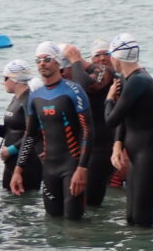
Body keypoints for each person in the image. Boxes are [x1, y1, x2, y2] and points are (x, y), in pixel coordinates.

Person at [10, 41, 93, 220]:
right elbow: (31, 135)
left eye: (47, 59)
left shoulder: (73, 91)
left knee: (74, 224)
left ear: (57, 62)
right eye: (38, 60)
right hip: (49, 170)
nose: (42, 63)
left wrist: (82, 168)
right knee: (52, 226)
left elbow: (88, 131)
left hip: (71, 167)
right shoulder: (35, 96)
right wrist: (18, 170)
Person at [104, 34, 153, 228]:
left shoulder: (138, 81)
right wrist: (117, 145)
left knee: (142, 222)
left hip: (149, 157)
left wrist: (108, 99)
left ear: (116, 57)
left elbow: (111, 119)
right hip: (138, 156)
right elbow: (125, 119)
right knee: (132, 219)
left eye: (110, 56)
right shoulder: (131, 79)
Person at [64, 43, 113, 207]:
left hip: (101, 147)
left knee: (91, 202)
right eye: (97, 56)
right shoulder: (73, 80)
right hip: (85, 148)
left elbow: (84, 86)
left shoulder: (109, 74)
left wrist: (76, 59)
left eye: (105, 54)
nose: (102, 58)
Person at [0, 59, 41, 193]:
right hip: (11, 163)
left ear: (15, 79)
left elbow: (34, 133)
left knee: (25, 208)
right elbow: (8, 131)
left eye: (5, 78)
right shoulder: (16, 98)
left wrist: (10, 150)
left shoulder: (28, 100)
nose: (2, 82)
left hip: (26, 163)